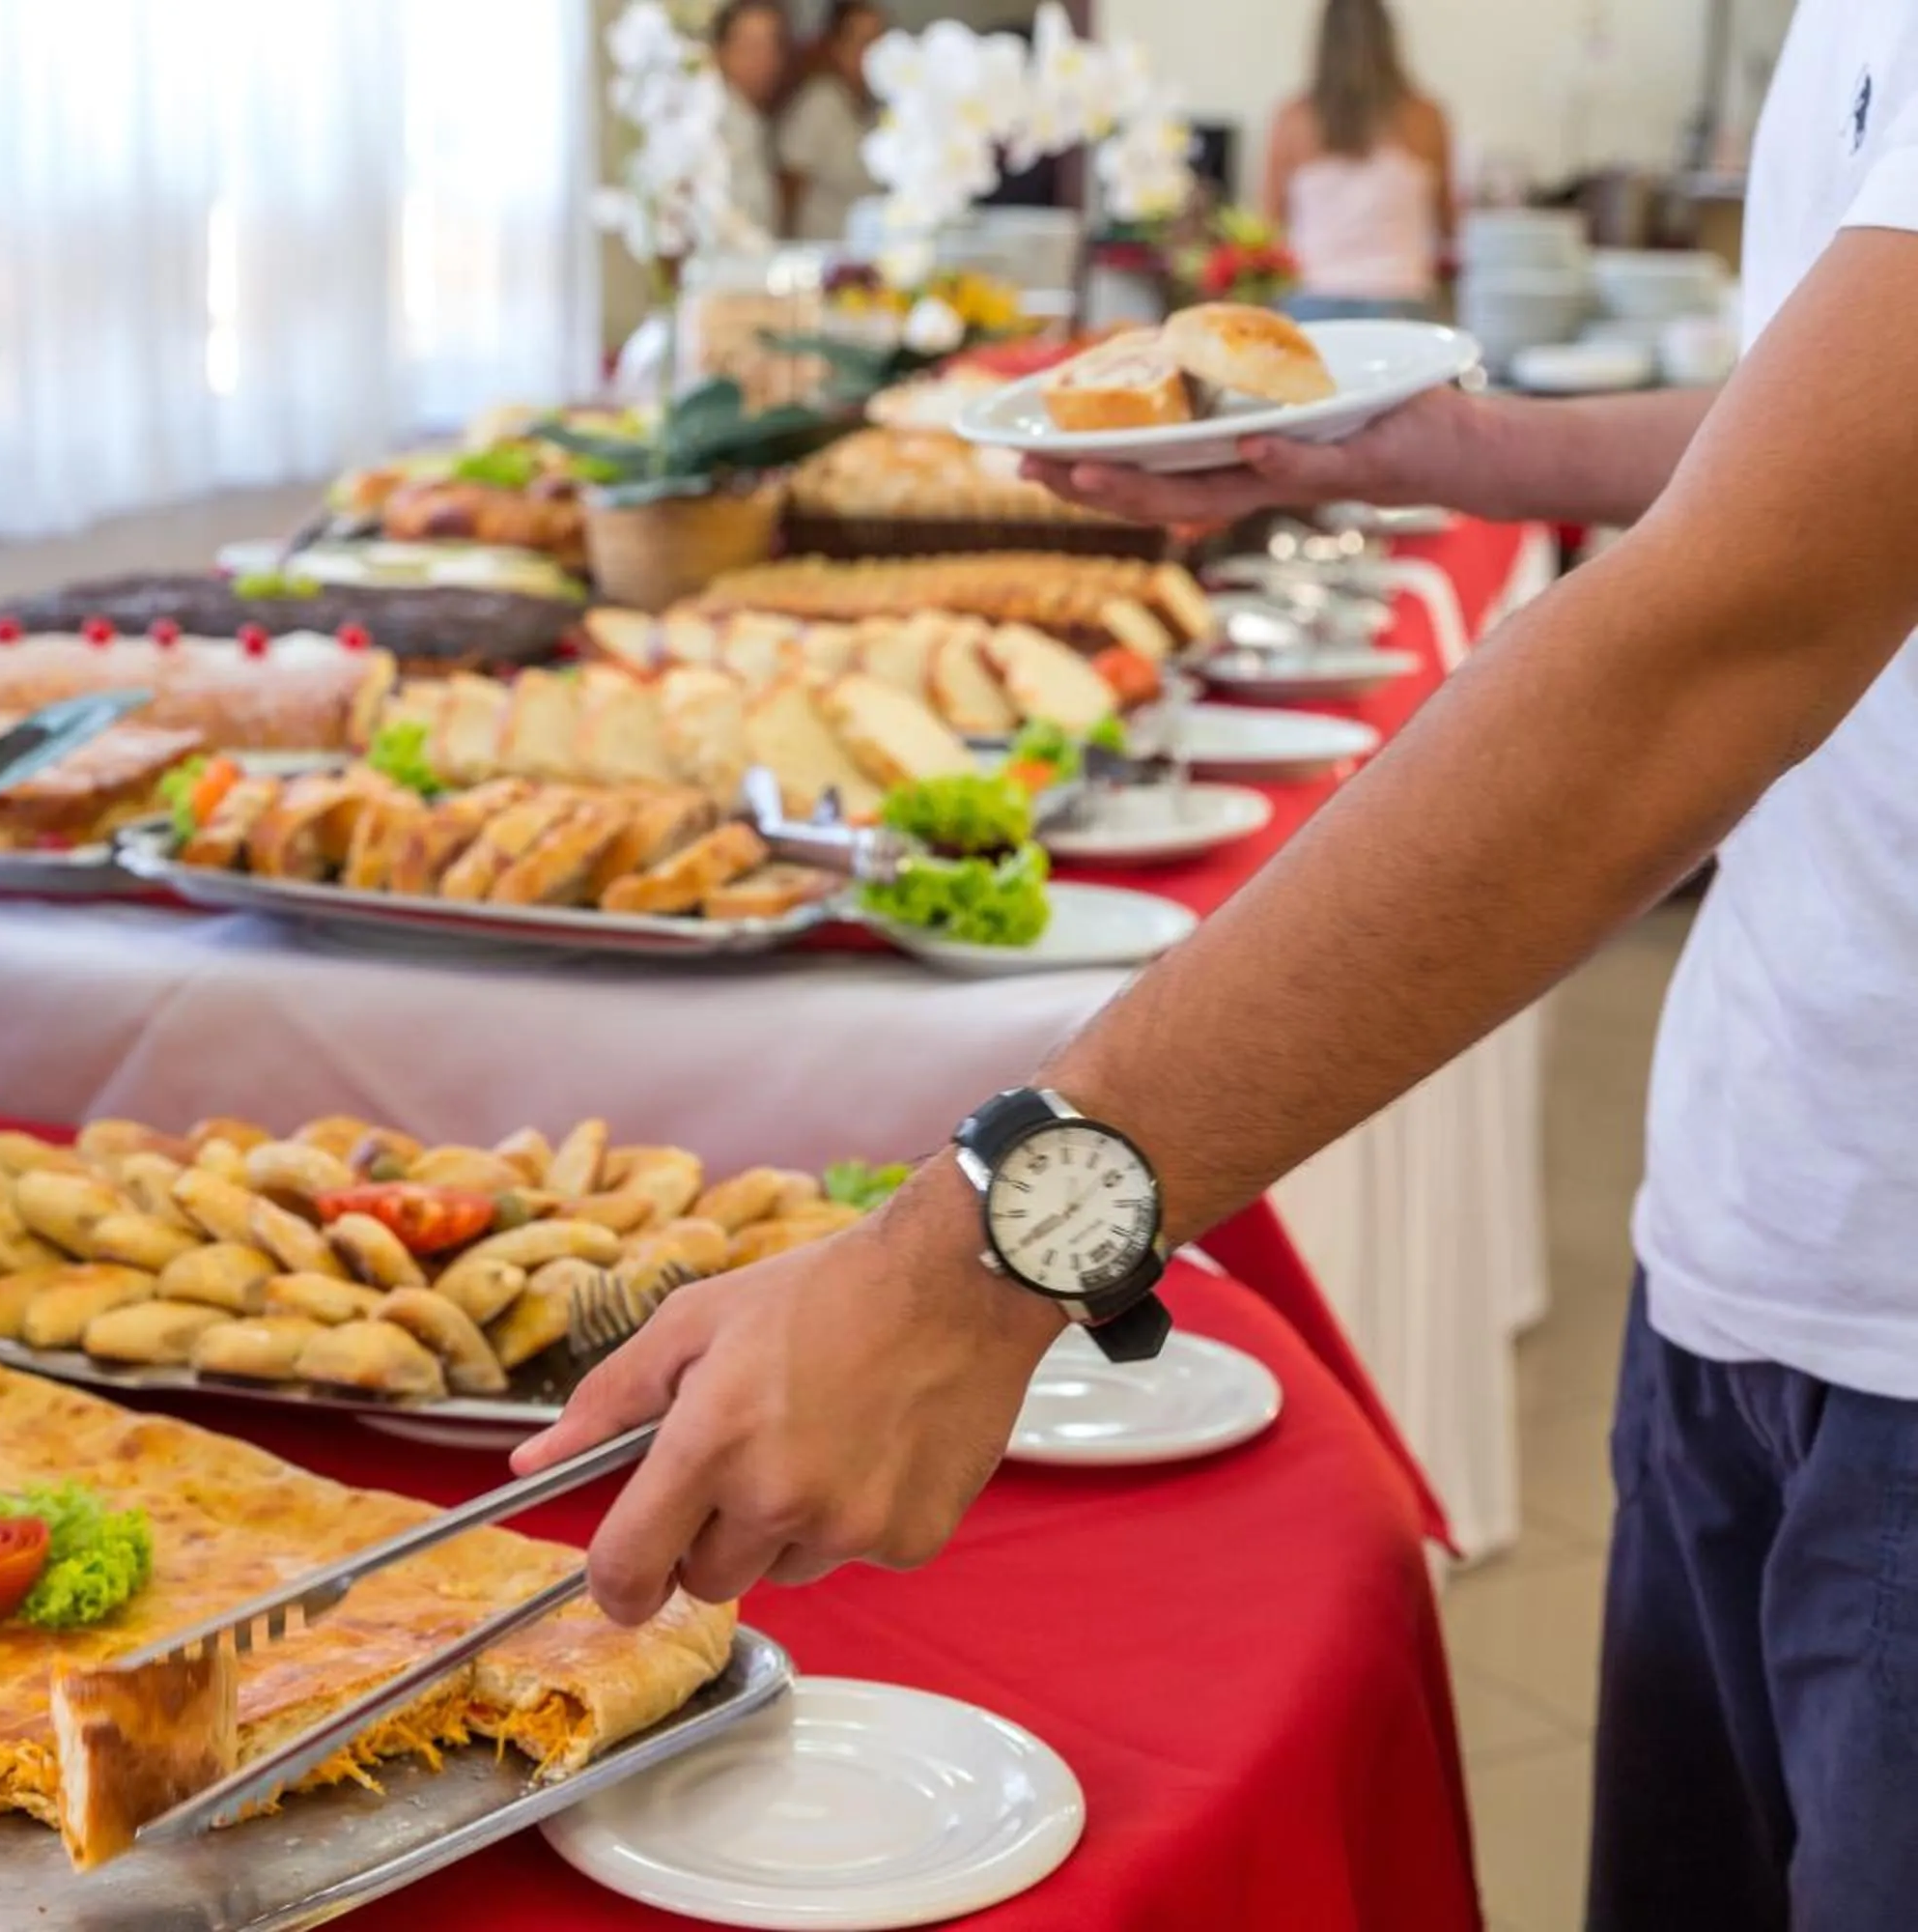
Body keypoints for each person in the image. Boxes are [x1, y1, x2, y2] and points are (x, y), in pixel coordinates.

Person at [519, 3, 1918, 1923]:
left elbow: (1735, 622)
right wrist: (1443, 446)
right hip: (1777, 1211)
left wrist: (988, 1253)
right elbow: (1819, 442)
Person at [1263, 0, 1451, 321]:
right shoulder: (1426, 117)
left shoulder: (1293, 119)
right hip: (1403, 302)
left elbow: (1269, 226)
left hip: (1312, 300)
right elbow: (1448, 224)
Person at [776, 1, 888, 244]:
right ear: (837, 47)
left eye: (880, 42)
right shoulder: (818, 104)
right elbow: (789, 188)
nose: (874, 53)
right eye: (863, 42)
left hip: (870, 253)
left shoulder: (881, 108)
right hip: (818, 256)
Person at [706, 0, 789, 243]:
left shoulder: (754, 118)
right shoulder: (706, 124)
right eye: (752, 47)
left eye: (773, 46)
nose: (766, 59)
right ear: (720, 52)